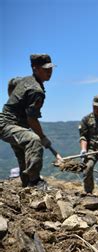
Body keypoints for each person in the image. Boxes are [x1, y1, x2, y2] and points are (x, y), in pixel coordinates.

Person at [0, 54, 61, 188]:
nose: (49, 72)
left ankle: (27, 185)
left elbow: (11, 82)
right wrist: (43, 137)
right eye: (45, 69)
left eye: (51, 68)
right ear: (35, 69)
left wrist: (12, 99)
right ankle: (35, 182)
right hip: (8, 124)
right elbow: (32, 119)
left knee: (23, 159)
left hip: (15, 125)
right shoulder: (36, 91)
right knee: (34, 140)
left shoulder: (25, 80)